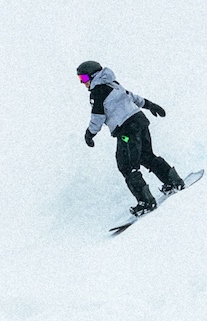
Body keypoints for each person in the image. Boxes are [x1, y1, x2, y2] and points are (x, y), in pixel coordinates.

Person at [78, 60, 186, 216]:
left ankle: (146, 201)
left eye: (84, 79)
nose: (83, 83)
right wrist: (151, 105)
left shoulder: (97, 92)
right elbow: (131, 97)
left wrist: (89, 134)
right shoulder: (112, 83)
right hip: (141, 123)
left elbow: (98, 117)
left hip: (127, 133)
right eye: (80, 79)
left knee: (126, 165)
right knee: (146, 156)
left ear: (93, 76)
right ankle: (173, 181)